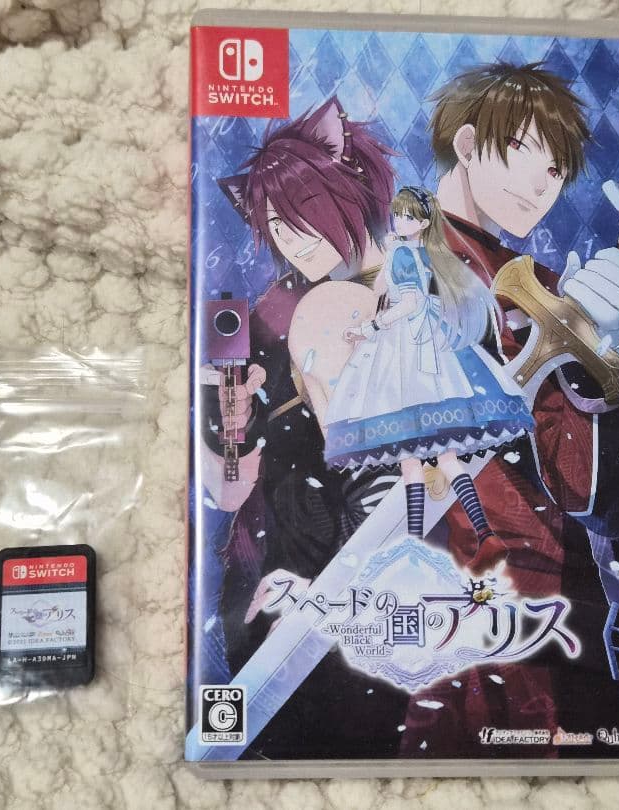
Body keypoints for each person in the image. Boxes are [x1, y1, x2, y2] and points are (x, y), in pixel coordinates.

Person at [395, 62, 619, 759]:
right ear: (469, 144)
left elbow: (586, 487)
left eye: (556, 172)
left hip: (528, 603)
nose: (541, 186)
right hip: (443, 596)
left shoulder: (532, 286)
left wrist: (605, 353)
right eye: (524, 153)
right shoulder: (397, 260)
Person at [198, 96, 410, 758]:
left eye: (299, 214)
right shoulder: (272, 312)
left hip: (389, 578)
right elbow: (229, 490)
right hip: (277, 577)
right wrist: (226, 428)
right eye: (274, 227)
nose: (290, 239)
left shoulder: (419, 290)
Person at [322, 186, 534, 547]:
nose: (399, 221)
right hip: (432, 342)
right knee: (444, 458)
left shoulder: (406, 253)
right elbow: (384, 288)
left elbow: (407, 302)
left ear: (422, 222)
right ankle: (484, 533)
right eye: (397, 214)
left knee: (412, 461)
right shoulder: (426, 253)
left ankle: (417, 543)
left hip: (408, 346)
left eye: (408, 216)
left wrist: (369, 328)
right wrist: (390, 255)